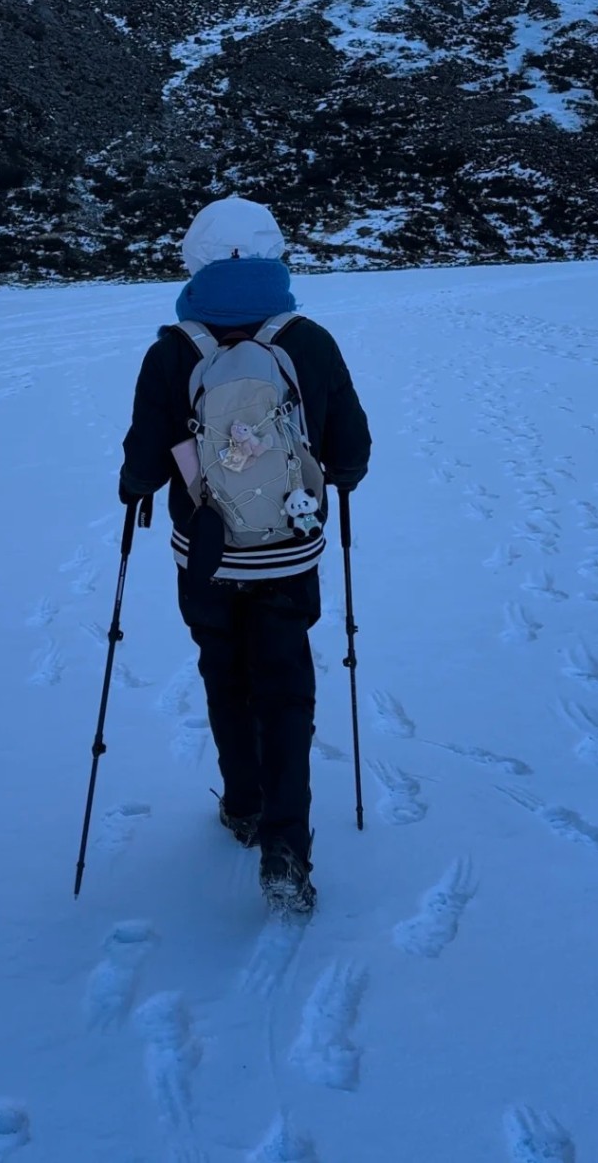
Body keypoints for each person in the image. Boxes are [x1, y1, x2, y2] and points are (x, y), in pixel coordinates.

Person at [119, 196, 371, 915]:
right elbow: (352, 450)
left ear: (195, 261)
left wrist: (134, 488)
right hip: (289, 553)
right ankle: (287, 845)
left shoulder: (171, 351)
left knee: (225, 675)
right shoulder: (310, 341)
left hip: (205, 558)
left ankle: (243, 805)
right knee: (286, 689)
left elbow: (143, 460)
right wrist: (331, 479)